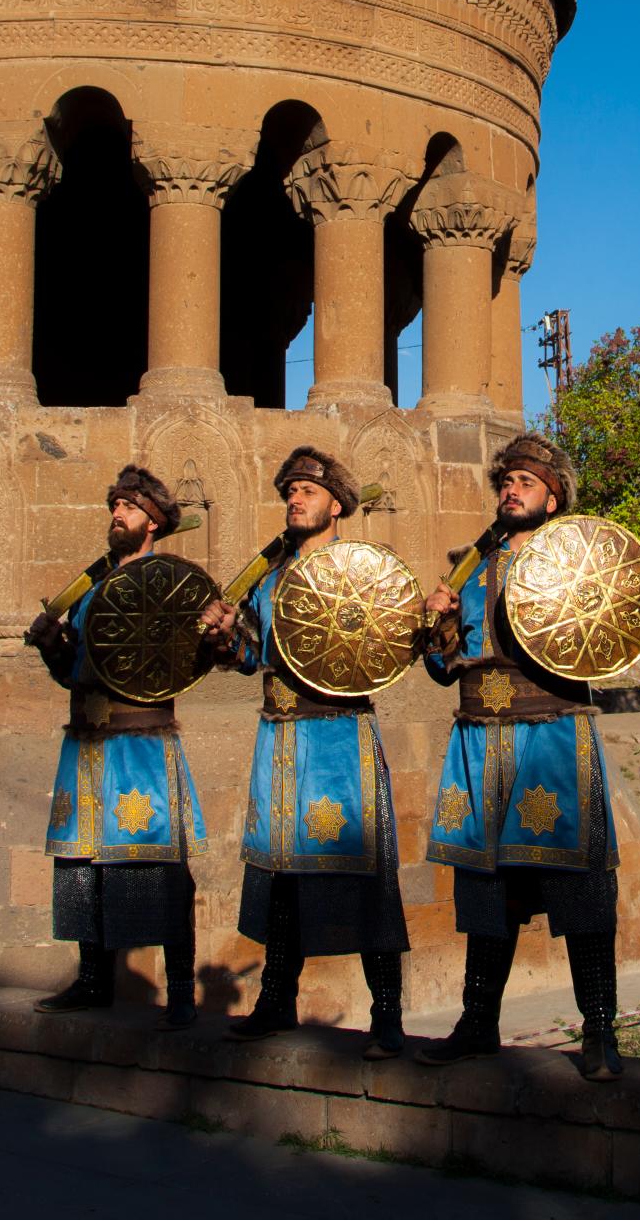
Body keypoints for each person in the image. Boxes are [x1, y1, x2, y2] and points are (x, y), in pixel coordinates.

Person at [416, 434, 625, 1080]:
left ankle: (600, 1031)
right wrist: (437, 623)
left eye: (526, 482)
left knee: (580, 892)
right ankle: (478, 1022)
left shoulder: (579, 561)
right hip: (481, 742)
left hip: (555, 739)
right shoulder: (467, 568)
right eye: (506, 481)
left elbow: (606, 641)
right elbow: (442, 670)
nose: (511, 490)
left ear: (553, 498)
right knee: (488, 895)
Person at [203, 447, 411, 1058]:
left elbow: (390, 646)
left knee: (367, 876)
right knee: (280, 877)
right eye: (289, 492)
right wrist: (226, 639)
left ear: (337, 505)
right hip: (280, 739)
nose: (295, 500)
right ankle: (276, 1003)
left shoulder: (363, 571)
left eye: (307, 492)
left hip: (342, 739)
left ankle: (387, 1016)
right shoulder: (267, 579)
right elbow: (251, 659)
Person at [27, 464, 212, 1028]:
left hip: (141, 745)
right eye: (115, 506)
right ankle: (92, 981)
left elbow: (191, 661)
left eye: (128, 508)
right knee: (83, 865)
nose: (117, 515)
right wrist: (53, 647)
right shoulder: (89, 592)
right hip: (86, 744)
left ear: (152, 522)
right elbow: (76, 672)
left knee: (159, 866)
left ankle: (180, 991)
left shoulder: (170, 584)